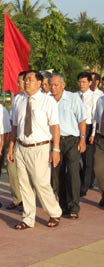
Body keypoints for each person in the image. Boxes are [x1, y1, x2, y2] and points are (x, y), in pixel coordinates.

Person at [7, 70, 62, 230]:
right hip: (21, 146)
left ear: (39, 83)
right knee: (24, 184)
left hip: (41, 146)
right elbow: (15, 126)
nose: (26, 83)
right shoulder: (19, 100)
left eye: (30, 80)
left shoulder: (47, 101)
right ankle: (28, 217)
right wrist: (11, 147)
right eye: (25, 80)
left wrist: (56, 149)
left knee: (40, 182)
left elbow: (55, 126)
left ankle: (54, 212)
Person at [49, 73, 87, 219]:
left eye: (56, 85)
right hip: (54, 142)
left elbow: (82, 119)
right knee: (57, 174)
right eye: (51, 85)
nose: (53, 88)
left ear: (63, 85)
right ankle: (62, 205)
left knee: (72, 172)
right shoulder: (48, 100)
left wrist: (82, 139)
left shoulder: (72, 98)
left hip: (71, 140)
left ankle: (73, 207)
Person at [6, 71, 26, 211]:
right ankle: (17, 199)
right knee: (12, 170)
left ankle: (28, 201)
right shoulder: (18, 99)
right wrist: (10, 144)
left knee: (29, 175)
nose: (17, 84)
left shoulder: (43, 99)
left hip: (34, 143)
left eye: (19, 81)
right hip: (17, 140)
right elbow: (13, 122)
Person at [77, 72, 99, 196]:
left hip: (89, 128)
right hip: (76, 128)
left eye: (84, 82)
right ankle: (78, 182)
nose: (81, 84)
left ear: (90, 83)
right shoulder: (75, 96)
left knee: (87, 159)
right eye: (80, 82)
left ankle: (84, 187)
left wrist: (93, 133)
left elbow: (95, 116)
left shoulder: (94, 97)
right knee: (76, 159)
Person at [94, 95, 104, 206]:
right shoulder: (100, 100)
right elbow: (96, 119)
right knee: (98, 169)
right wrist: (94, 134)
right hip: (100, 138)